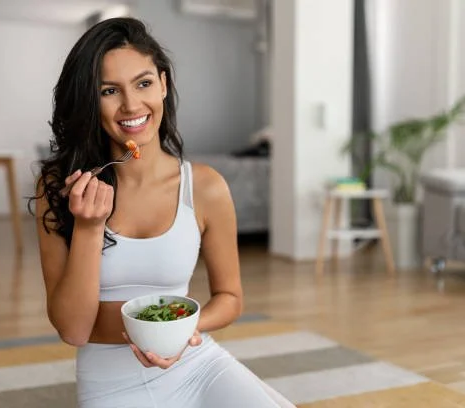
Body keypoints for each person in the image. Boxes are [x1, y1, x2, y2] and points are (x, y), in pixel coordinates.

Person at [30, 17, 296, 408]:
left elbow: (230, 297)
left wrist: (184, 331)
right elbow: (73, 329)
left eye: (143, 83)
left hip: (197, 365)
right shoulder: (59, 187)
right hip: (110, 383)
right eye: (109, 90)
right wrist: (88, 227)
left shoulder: (204, 187)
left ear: (164, 84)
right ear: (90, 100)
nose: (131, 105)